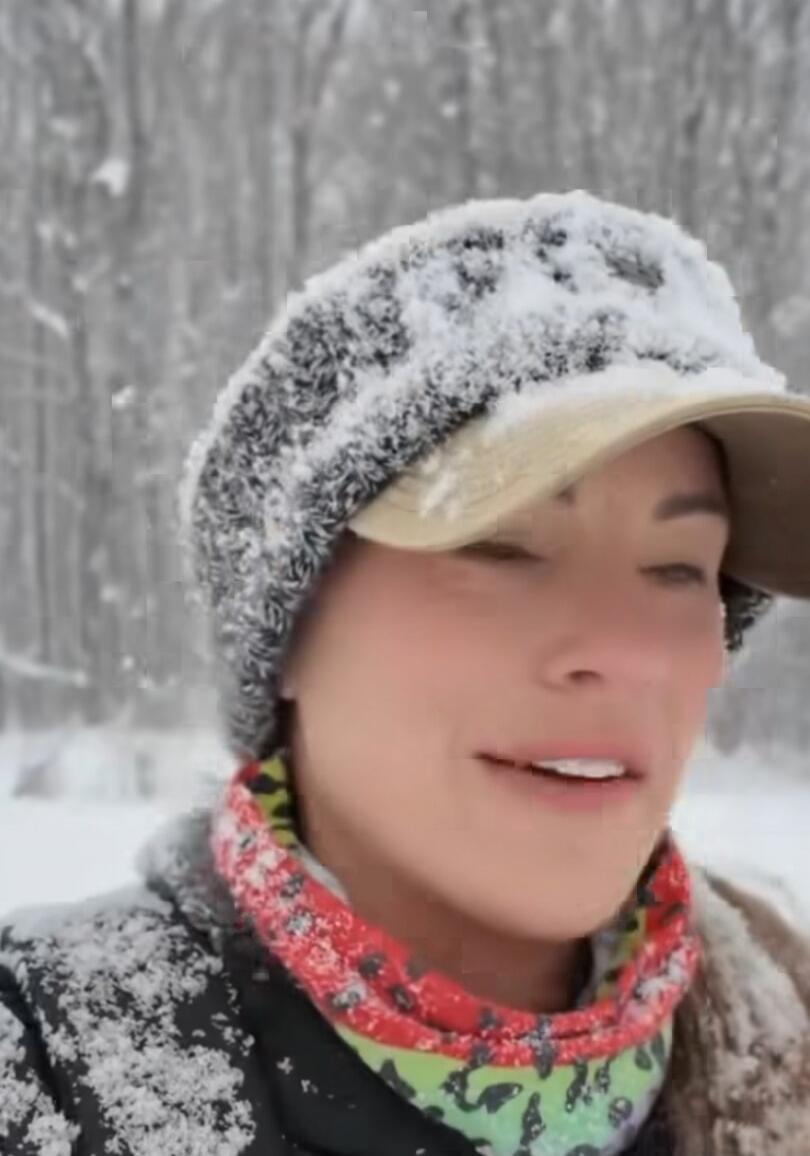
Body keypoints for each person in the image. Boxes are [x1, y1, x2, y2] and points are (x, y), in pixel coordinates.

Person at [3, 190, 810, 1156]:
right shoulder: (49, 1069)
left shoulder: (786, 1023)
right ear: (290, 626)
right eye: (503, 546)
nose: (629, 650)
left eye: (681, 569)